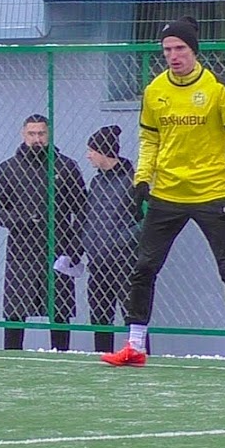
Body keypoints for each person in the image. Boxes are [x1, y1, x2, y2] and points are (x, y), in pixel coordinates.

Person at [103, 15, 225, 371]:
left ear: (194, 50)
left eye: (180, 48)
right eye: (168, 49)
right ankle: (134, 346)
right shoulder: (155, 90)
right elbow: (149, 138)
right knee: (144, 268)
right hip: (167, 194)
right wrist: (141, 180)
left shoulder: (219, 89)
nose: (173, 55)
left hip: (211, 193)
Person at [0, 114, 86, 352]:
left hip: (58, 249)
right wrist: (21, 220)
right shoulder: (8, 169)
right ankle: (11, 357)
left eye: (41, 133)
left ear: (48, 134)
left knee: (60, 310)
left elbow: (82, 209)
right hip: (21, 251)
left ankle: (61, 355)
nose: (37, 139)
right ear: (23, 134)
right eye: (32, 134)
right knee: (15, 310)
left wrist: (73, 248)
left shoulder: (66, 166)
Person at [82, 125, 140, 353]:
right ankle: (102, 354)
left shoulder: (134, 182)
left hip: (125, 260)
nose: (88, 156)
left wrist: (121, 240)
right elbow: (90, 216)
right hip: (98, 260)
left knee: (132, 313)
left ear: (102, 151)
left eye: (91, 151)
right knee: (98, 313)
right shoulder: (96, 183)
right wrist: (88, 243)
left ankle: (138, 352)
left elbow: (147, 220)